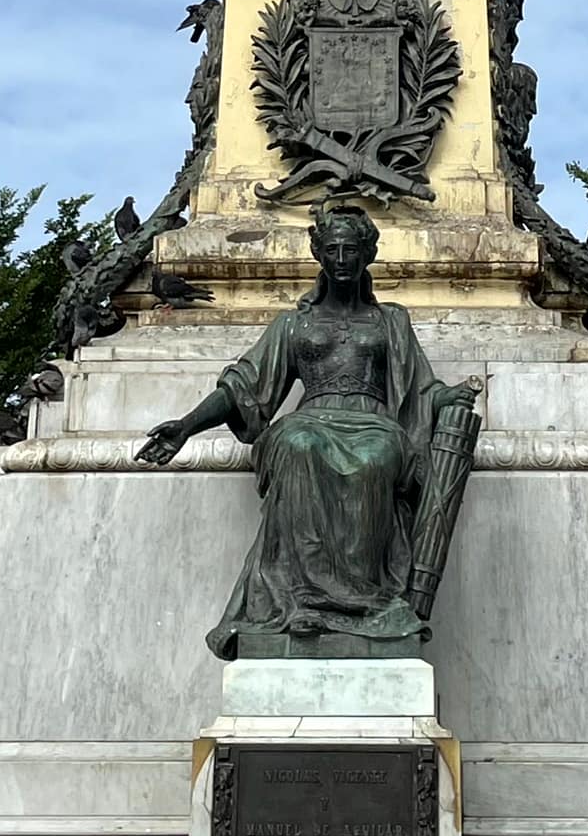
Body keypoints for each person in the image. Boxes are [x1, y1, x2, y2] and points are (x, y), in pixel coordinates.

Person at [136, 202, 479, 657]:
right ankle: (305, 601)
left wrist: (448, 397)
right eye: (332, 249)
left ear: (367, 255)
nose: (341, 259)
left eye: (350, 250)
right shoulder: (294, 324)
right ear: (318, 254)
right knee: (297, 445)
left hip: (374, 423)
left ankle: (362, 603)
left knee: (375, 458)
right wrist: (186, 426)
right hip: (309, 418)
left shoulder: (391, 321)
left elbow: (420, 388)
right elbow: (244, 386)